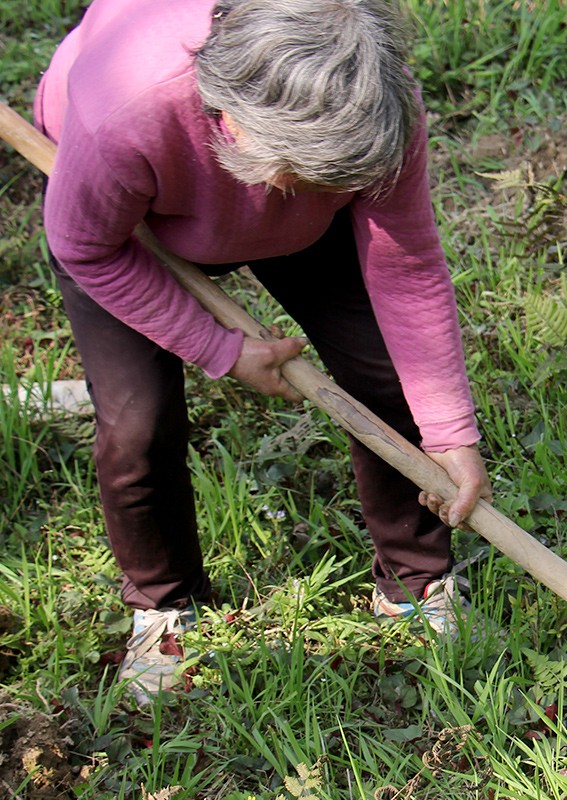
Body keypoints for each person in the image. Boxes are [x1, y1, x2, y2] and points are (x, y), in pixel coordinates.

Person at [35, 0, 493, 704]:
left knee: (387, 376)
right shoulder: (121, 111)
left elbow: (406, 264)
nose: (320, 192)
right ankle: (165, 603)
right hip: (129, 225)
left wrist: (451, 433)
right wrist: (218, 348)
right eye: (304, 178)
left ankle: (413, 580)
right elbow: (85, 248)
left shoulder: (372, 99)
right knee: (138, 424)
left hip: (285, 185)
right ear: (236, 122)